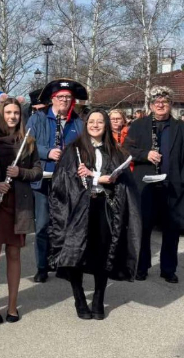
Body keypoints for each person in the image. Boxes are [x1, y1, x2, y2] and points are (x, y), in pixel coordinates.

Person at [48, 108, 140, 320]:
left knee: (103, 253)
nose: (95, 125)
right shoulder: (74, 149)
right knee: (75, 253)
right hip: (79, 207)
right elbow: (63, 181)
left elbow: (121, 181)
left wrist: (99, 177)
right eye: (91, 121)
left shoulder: (115, 151)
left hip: (105, 207)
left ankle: (98, 298)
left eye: (100, 121)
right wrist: (95, 179)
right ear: (86, 125)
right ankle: (79, 297)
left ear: (106, 125)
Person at [125, 86, 184, 284]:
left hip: (171, 186)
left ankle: (168, 269)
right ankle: (141, 266)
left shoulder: (180, 127)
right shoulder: (139, 125)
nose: (160, 105)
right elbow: (127, 149)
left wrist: (182, 177)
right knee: (143, 229)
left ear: (170, 105)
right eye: (156, 102)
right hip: (146, 186)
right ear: (150, 105)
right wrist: (145, 154)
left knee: (171, 231)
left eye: (164, 102)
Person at [0, 94, 38, 323]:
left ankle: (13, 305)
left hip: (18, 204)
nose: (13, 116)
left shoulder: (28, 140)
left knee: (14, 254)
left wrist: (20, 173)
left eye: (16, 113)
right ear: (0, 115)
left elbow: (37, 170)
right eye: (8, 113)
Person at [29, 78, 85, 282]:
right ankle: (42, 266)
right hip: (43, 179)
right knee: (43, 225)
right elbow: (27, 145)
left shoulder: (77, 122)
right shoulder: (38, 118)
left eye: (68, 98)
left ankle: (62, 263)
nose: (64, 100)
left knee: (65, 224)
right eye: (60, 97)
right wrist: (47, 152)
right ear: (52, 99)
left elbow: (84, 148)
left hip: (68, 181)